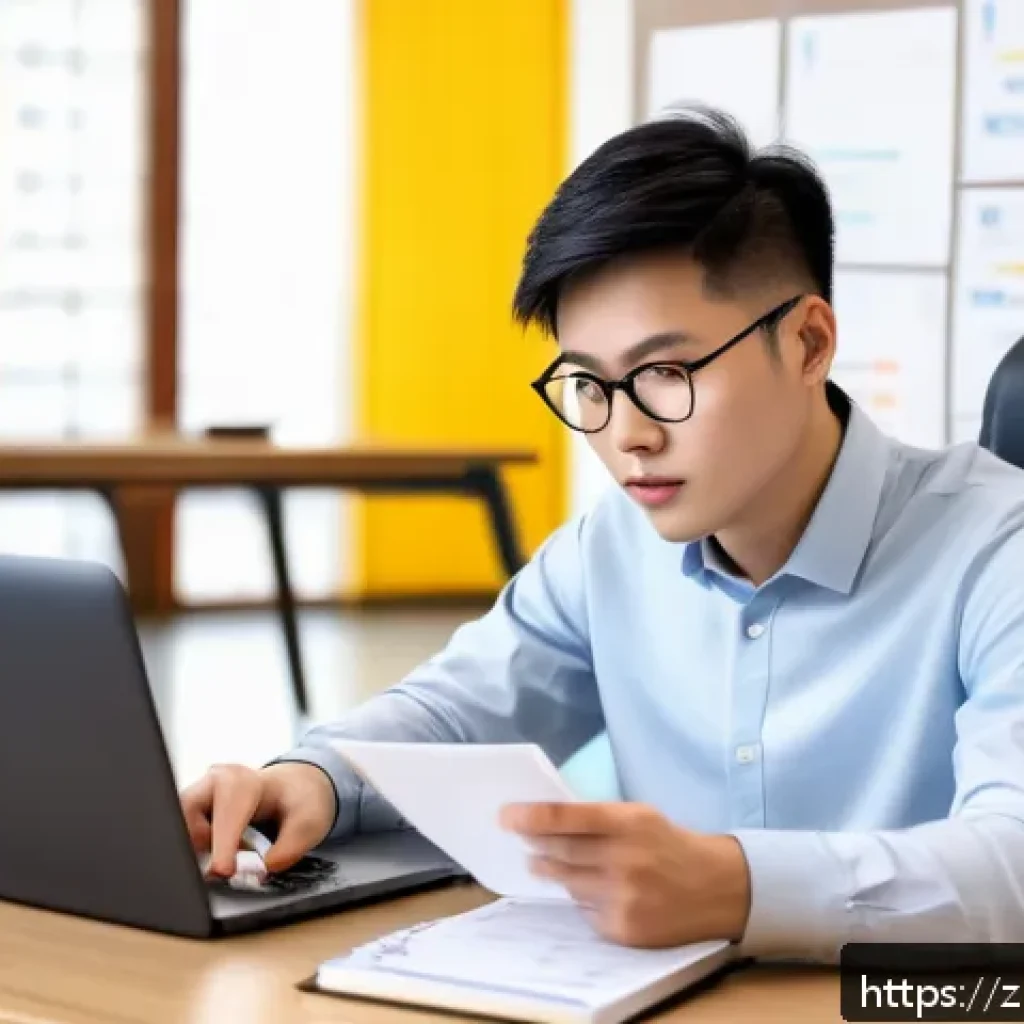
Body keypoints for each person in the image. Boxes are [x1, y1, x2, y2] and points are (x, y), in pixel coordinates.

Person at [180, 106, 1024, 962]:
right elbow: (455, 710)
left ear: (808, 343)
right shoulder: (609, 551)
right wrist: (313, 776)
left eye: (665, 373)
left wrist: (735, 885)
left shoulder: (997, 548)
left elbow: (1013, 862)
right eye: (588, 383)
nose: (627, 433)